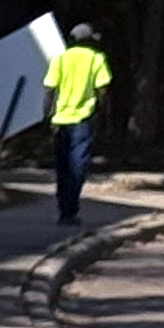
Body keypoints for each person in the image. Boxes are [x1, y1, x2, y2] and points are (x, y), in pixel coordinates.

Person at [47, 23, 112, 226]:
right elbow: (102, 90)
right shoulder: (96, 59)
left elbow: (49, 90)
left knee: (62, 165)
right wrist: (104, 113)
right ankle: (70, 210)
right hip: (83, 119)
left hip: (60, 119)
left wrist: (47, 115)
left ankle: (62, 206)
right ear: (90, 40)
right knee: (77, 165)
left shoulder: (59, 59)